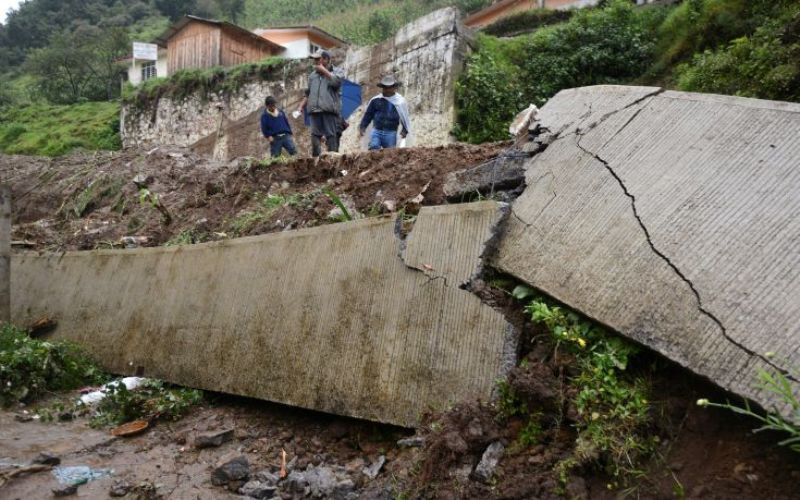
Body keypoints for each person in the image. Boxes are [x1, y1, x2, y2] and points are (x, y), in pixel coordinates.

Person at [296, 49, 342, 157]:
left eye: (318, 59)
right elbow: (308, 93)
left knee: (331, 135)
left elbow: (337, 83)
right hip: (314, 110)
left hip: (328, 110)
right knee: (314, 135)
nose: (315, 62)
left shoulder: (336, 72)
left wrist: (324, 71)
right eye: (314, 59)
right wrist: (301, 106)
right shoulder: (312, 76)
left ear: (326, 59)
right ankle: (316, 161)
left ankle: (333, 159)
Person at [358, 75, 411, 151]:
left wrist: (404, 130)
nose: (387, 89)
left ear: (394, 88)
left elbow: (404, 117)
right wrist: (363, 126)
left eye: (389, 87)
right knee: (373, 150)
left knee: (389, 155)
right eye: (385, 87)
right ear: (382, 88)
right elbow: (368, 115)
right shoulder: (376, 100)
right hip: (377, 131)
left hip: (391, 133)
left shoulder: (400, 101)